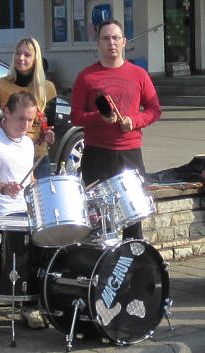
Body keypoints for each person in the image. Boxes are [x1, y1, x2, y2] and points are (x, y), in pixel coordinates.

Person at [71, 19, 161, 240]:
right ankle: (100, 270)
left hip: (129, 154)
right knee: (99, 223)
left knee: (132, 221)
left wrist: (134, 121)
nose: (111, 42)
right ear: (98, 43)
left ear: (124, 42)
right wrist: (100, 118)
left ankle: (132, 269)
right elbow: (75, 116)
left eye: (115, 38)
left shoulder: (139, 74)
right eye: (105, 38)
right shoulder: (86, 76)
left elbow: (154, 110)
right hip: (97, 155)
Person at [0, 91, 45, 329]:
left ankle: (43, 301)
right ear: (6, 112)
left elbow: (30, 178)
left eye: (31, 120)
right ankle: (28, 305)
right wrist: (3, 187)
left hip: (26, 214)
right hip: (2, 217)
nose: (26, 125)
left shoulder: (26, 143)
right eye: (21, 119)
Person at [0, 37, 56, 179]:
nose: (21, 58)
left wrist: (49, 136)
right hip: (8, 154)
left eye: (27, 55)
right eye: (18, 53)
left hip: (38, 156)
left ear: (36, 59)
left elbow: (50, 126)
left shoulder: (47, 88)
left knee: (40, 201)